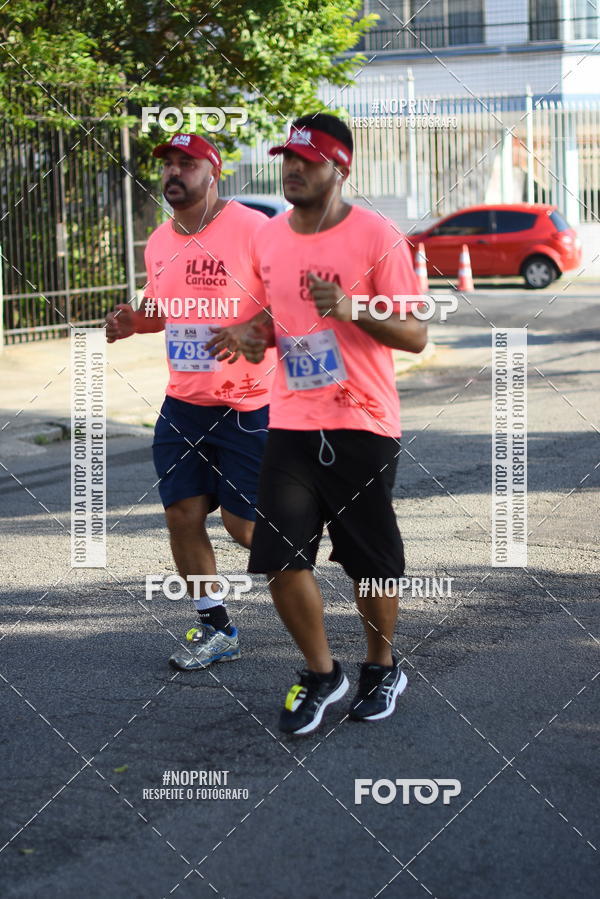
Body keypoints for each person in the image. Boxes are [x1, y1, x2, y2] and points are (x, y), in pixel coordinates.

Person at [240, 113, 428, 734]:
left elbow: (415, 333)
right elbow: (274, 320)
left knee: (369, 559)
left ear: (339, 168)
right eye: (286, 158)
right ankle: (324, 674)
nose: (292, 169)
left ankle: (380, 666)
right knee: (278, 554)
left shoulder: (378, 236)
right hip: (291, 419)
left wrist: (352, 309)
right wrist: (250, 333)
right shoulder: (268, 236)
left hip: (362, 421)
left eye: (307, 159)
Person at [105, 132, 275, 670]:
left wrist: (254, 329)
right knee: (182, 514)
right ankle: (216, 627)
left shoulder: (253, 229)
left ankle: (306, 558)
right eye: (169, 164)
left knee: (243, 528)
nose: (175, 172)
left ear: (214, 172)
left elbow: (293, 308)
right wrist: (134, 322)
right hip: (183, 404)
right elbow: (164, 307)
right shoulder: (159, 241)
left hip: (250, 404)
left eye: (188, 163)